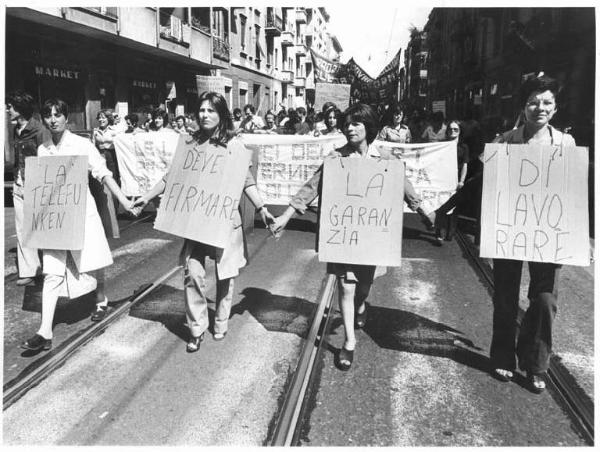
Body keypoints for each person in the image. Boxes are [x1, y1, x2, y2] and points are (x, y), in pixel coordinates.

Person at [271, 103, 435, 371]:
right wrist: (285, 216)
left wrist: (426, 211)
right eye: (347, 123)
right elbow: (310, 188)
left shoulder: (386, 160)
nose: (349, 127)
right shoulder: (335, 159)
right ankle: (349, 342)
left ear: (368, 127)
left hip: (371, 240)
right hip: (344, 237)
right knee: (346, 286)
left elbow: (405, 188)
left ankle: (361, 306)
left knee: (363, 288)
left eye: (356, 123)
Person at [132, 92, 275, 352]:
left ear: (221, 115)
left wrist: (262, 208)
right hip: (196, 222)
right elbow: (170, 177)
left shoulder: (235, 145)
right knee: (193, 273)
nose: (204, 115)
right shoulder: (190, 143)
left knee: (225, 275)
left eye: (210, 110)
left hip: (224, 219)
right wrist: (146, 197)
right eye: (201, 110)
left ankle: (220, 321)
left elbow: (246, 181)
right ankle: (196, 328)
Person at [485, 74, 577, 393]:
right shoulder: (505, 140)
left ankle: (536, 363)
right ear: (523, 107)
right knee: (505, 296)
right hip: (511, 230)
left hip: (547, 232)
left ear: (555, 108)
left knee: (545, 300)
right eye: (533, 102)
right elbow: (492, 186)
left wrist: (578, 236)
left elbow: (573, 193)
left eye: (547, 102)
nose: (540, 107)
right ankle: (502, 357)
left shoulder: (565, 144)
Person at [20, 99, 134, 351]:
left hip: (81, 214)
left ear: (66, 117)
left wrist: (124, 200)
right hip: (55, 220)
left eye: (58, 114)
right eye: (48, 115)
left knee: (95, 260)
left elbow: (102, 172)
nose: (53, 119)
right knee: (52, 272)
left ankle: (101, 298)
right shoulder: (43, 149)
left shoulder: (82, 144)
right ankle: (45, 332)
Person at [6, 90, 48, 285]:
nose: (7, 110)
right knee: (22, 228)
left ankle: (50, 266)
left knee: (43, 227)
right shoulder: (16, 130)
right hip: (19, 183)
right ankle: (30, 270)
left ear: (20, 109)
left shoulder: (39, 130)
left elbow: (47, 159)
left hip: (37, 184)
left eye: (10, 107)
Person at [92, 109, 120, 184]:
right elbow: (93, 145)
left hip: (112, 156)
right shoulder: (95, 131)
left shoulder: (115, 130)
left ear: (108, 118)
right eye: (99, 118)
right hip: (100, 155)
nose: (101, 120)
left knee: (113, 176)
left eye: (103, 118)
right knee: (102, 176)